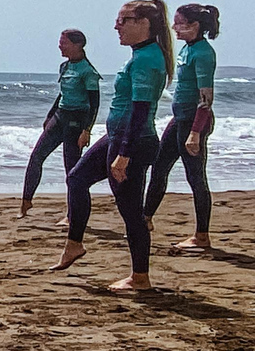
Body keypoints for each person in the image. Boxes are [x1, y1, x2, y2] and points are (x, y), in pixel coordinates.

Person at [52, 0, 173, 293]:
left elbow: (141, 110)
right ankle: (74, 244)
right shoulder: (141, 54)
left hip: (133, 141)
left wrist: (124, 155)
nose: (116, 26)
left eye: (123, 20)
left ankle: (140, 278)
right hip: (119, 136)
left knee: (131, 212)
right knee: (77, 179)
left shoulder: (146, 59)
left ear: (143, 23)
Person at [144, 4, 219, 249]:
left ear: (194, 26)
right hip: (180, 119)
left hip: (194, 123)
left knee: (195, 177)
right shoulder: (187, 49)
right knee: (159, 167)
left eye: (179, 23)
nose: (174, 27)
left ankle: (202, 236)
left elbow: (206, 99)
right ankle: (145, 219)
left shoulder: (204, 53)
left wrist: (195, 133)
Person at [18, 30, 101, 224]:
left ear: (77, 44)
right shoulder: (64, 66)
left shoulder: (88, 72)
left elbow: (94, 104)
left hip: (77, 120)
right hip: (60, 116)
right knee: (36, 156)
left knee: (72, 169)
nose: (59, 46)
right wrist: (49, 116)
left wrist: (86, 130)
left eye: (63, 43)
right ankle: (26, 201)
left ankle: (72, 215)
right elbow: (61, 94)